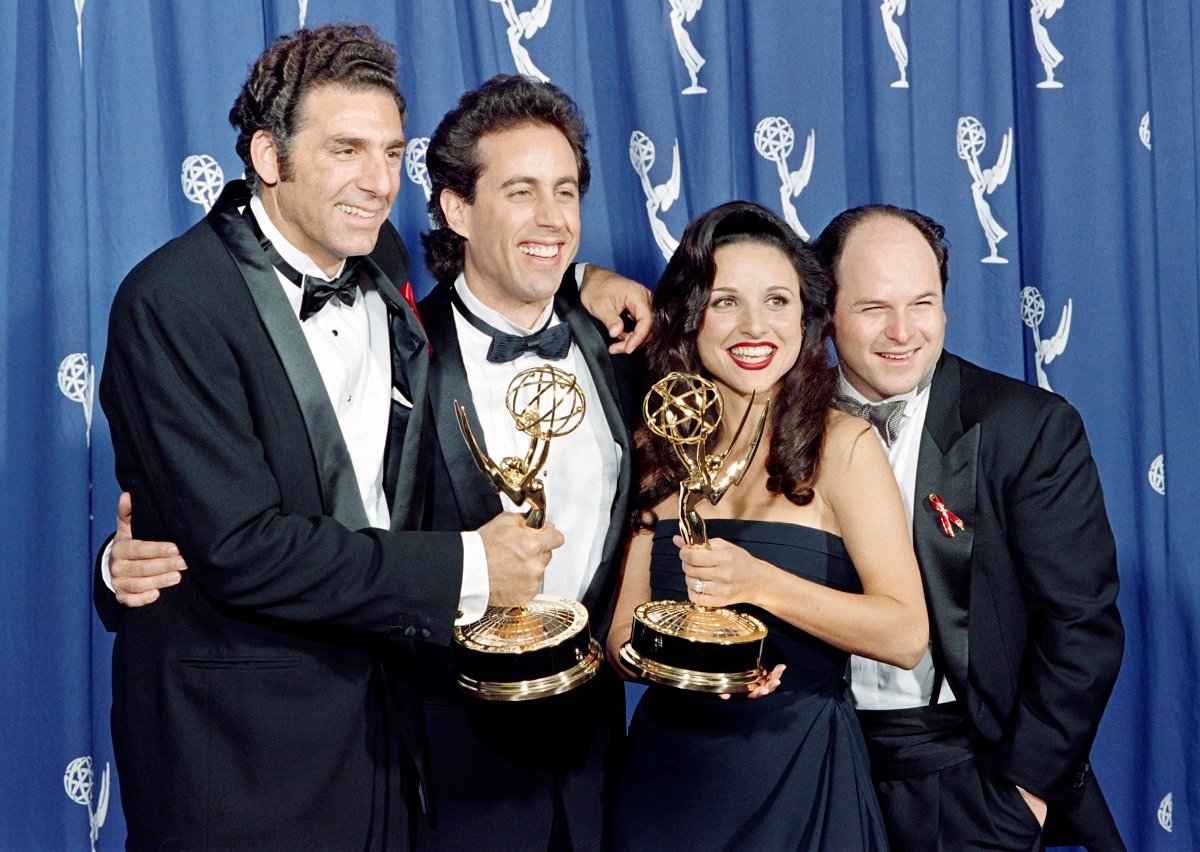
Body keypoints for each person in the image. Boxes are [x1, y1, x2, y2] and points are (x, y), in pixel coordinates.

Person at [96, 25, 648, 851]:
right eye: (346, 149)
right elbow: (241, 544)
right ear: (269, 158)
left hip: (386, 745)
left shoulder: (377, 254)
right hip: (241, 751)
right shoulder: (172, 299)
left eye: (391, 153)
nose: (377, 181)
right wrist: (471, 564)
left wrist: (577, 276)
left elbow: (493, 261)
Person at [606, 200, 929, 851]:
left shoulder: (844, 447)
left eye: (777, 301)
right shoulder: (653, 446)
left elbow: (905, 634)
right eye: (726, 301)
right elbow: (620, 638)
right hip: (669, 788)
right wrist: (691, 668)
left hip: (804, 785)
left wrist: (759, 583)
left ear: (806, 318)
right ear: (689, 315)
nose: (755, 326)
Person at [814, 204, 1125, 851]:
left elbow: (1081, 630)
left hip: (966, 774)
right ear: (826, 310)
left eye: (922, 303)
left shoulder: (1028, 427)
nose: (903, 331)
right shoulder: (777, 428)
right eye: (874, 308)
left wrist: (1023, 797)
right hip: (815, 765)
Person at [410, 74, 640, 850]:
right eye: (520, 192)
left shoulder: (619, 345)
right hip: (445, 763)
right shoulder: (396, 353)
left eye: (566, 191)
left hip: (596, 761)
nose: (552, 220)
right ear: (457, 208)